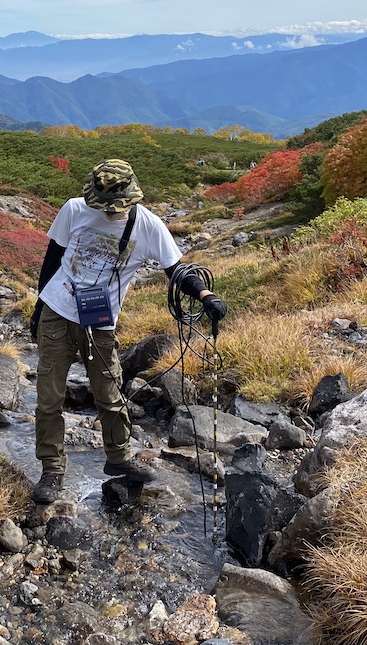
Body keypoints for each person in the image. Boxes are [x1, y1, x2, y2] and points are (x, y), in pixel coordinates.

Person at [28, 158, 228, 505]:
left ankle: (118, 458)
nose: (107, 210)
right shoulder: (74, 210)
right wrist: (38, 308)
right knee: (49, 397)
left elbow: (175, 270)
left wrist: (205, 295)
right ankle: (52, 469)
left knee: (108, 394)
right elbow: (53, 258)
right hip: (57, 312)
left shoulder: (148, 225)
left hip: (100, 324)